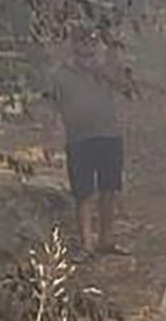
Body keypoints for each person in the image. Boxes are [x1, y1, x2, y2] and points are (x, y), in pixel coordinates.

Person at [42, 35, 128, 257]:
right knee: (83, 193)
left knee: (109, 190)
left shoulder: (105, 72)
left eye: (91, 43)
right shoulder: (59, 76)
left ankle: (106, 241)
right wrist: (49, 137)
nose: (87, 48)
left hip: (109, 135)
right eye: (82, 43)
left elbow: (124, 86)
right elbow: (51, 107)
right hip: (79, 139)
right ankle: (86, 244)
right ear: (74, 46)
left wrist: (112, 55)